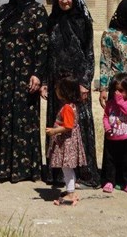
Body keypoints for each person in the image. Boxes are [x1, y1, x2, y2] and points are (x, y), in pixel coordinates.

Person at [0, 0, 48, 183]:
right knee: (1, 118)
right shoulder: (3, 10)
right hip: (2, 74)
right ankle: (2, 167)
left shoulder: (36, 10)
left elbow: (43, 45)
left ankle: (24, 169)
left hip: (25, 75)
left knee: (24, 119)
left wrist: (38, 74)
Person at [42, 0, 99, 187]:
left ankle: (85, 175)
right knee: (58, 124)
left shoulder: (83, 21)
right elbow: (48, 54)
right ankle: (58, 175)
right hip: (57, 82)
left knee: (78, 127)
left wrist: (85, 82)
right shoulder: (52, 21)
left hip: (77, 82)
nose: (64, 0)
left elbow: (89, 53)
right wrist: (45, 82)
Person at [46, 75, 88, 206]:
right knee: (68, 168)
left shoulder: (67, 108)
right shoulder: (72, 106)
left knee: (66, 168)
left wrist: (54, 131)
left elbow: (68, 126)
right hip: (69, 141)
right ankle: (71, 190)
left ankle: (70, 194)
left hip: (67, 142)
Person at [101, 73, 127, 194]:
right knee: (110, 162)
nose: (117, 93)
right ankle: (109, 181)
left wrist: (120, 101)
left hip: (126, 138)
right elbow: (106, 116)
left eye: (121, 90)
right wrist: (107, 127)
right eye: (115, 90)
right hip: (112, 138)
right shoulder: (110, 103)